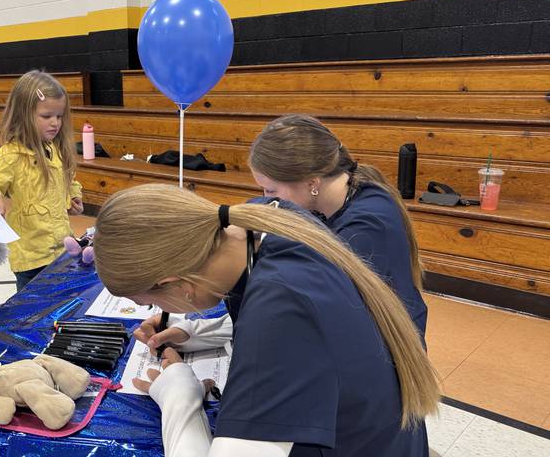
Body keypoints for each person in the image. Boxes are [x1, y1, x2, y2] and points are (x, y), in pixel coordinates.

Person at [94, 184, 440, 456]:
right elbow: (312, 325)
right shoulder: (258, 220)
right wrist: (193, 331)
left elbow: (286, 326)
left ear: (175, 283)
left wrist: (178, 393)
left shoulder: (282, 312)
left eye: (149, 300)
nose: (156, 308)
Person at [249, 114, 427, 338]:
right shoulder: (343, 194)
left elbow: (325, 311)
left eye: (271, 191)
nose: (267, 199)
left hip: (387, 350)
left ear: (312, 183)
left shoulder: (363, 229)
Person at [0, 70, 84, 291]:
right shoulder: (11, 155)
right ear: (23, 115)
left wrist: (74, 196)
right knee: (31, 309)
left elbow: (68, 177)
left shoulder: (54, 148)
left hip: (61, 247)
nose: (55, 123)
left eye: (59, 116)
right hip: (31, 258)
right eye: (46, 116)